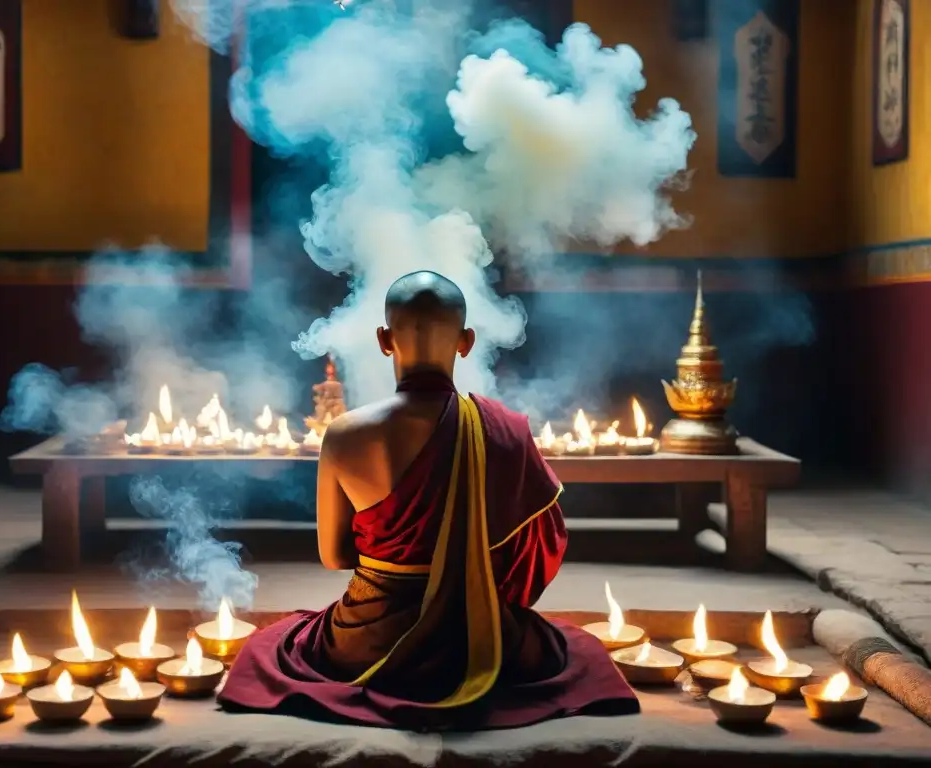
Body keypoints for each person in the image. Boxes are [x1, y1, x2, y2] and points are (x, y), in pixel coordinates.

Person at [218, 271, 639, 730]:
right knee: (572, 650)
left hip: (367, 637)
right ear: (466, 342)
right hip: (477, 634)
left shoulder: (345, 434)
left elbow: (335, 556)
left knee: (271, 646)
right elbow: (543, 545)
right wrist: (464, 570)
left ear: (383, 339)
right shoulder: (504, 431)